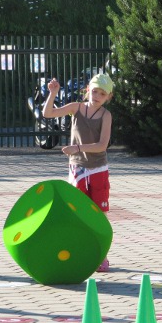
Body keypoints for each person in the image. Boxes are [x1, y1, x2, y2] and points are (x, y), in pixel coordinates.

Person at [42, 72, 114, 272]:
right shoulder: (77, 108)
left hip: (98, 168)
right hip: (78, 169)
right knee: (77, 212)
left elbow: (102, 145)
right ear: (88, 90)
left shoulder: (106, 115)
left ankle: (102, 255)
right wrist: (53, 93)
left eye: (102, 93)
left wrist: (78, 148)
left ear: (108, 97)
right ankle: (79, 252)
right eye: (95, 90)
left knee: (99, 212)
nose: (97, 95)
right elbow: (48, 114)